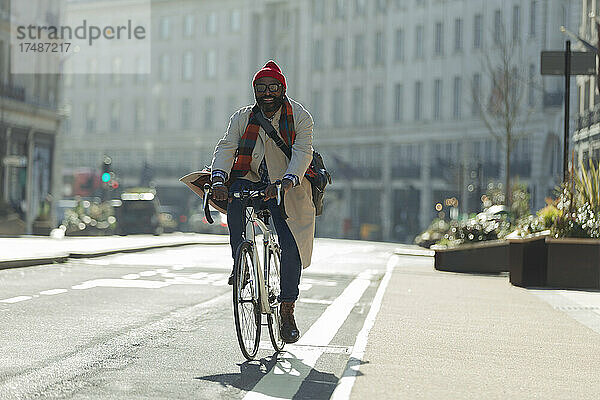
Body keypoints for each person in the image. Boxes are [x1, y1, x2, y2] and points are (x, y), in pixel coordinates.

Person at [210, 60, 315, 344]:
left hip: (287, 184)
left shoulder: (300, 117)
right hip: (252, 177)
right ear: (254, 91)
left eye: (273, 87)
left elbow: (303, 153)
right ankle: (240, 263)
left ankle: (288, 309)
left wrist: (286, 182)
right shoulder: (242, 118)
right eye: (261, 88)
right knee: (234, 200)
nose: (267, 93)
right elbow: (227, 146)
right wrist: (218, 180)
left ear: (282, 89)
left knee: (290, 243)